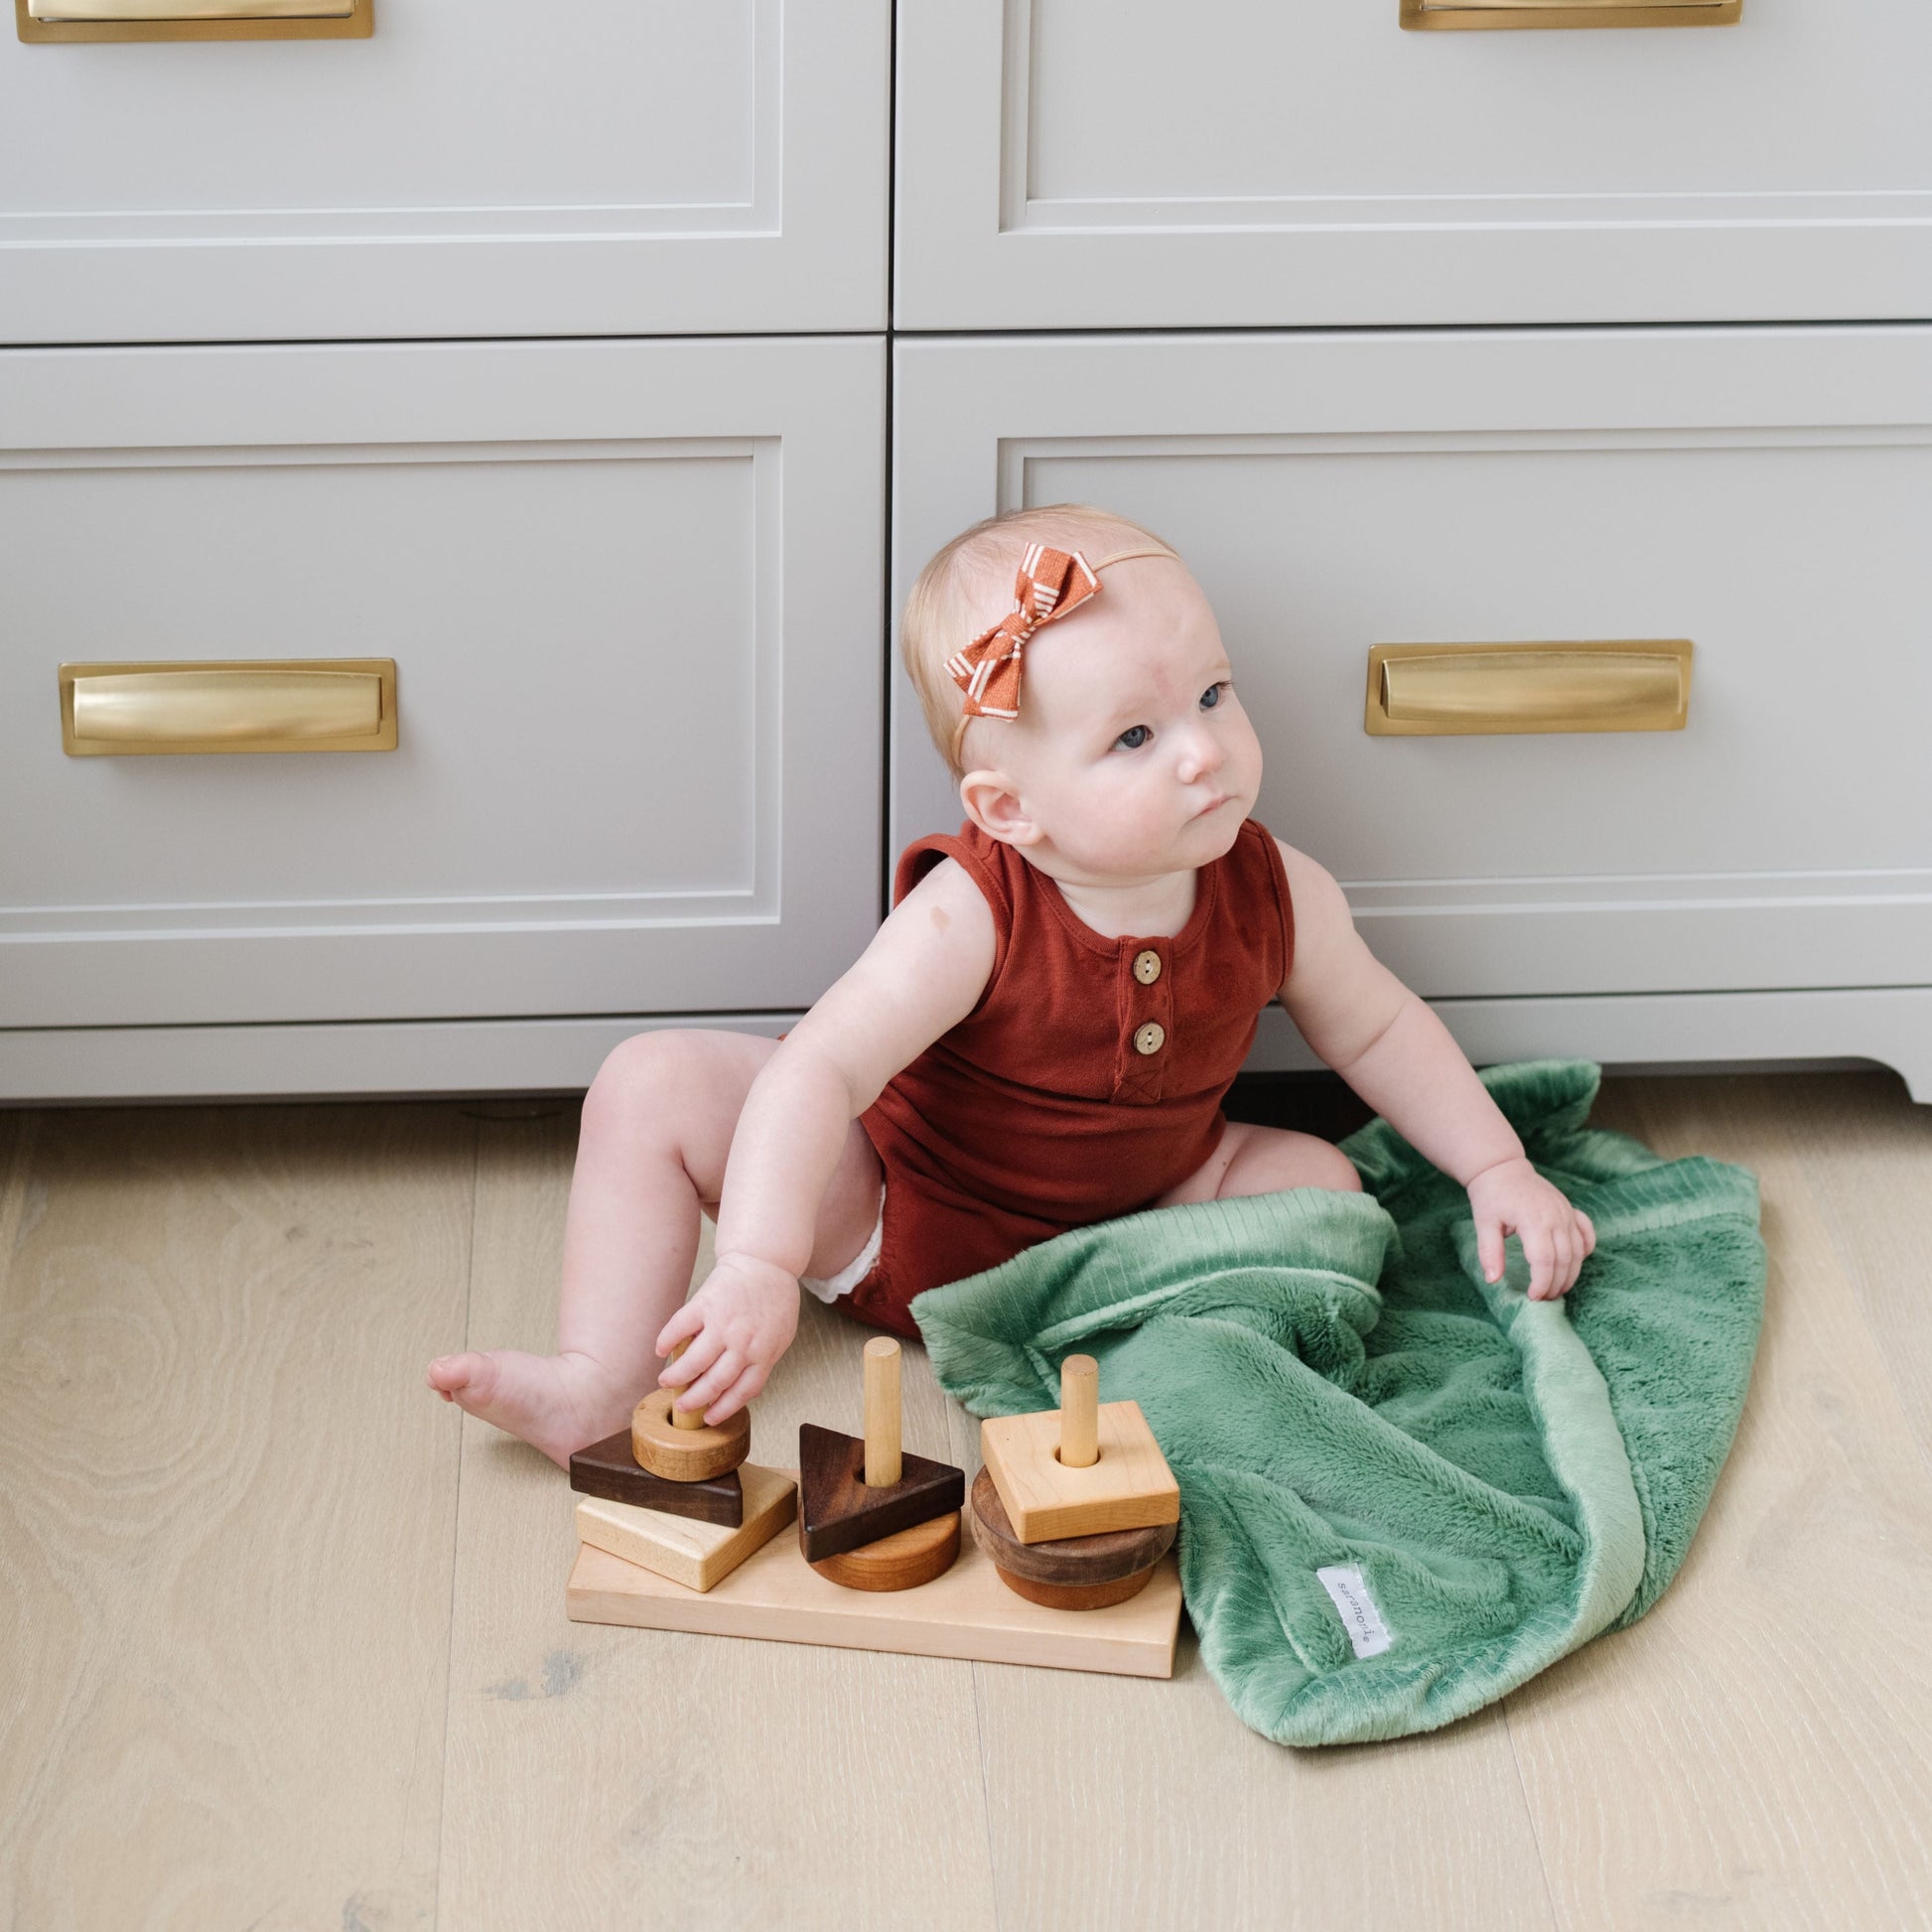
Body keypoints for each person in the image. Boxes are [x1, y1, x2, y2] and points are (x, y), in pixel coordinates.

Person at [428, 503, 1594, 1465]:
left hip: (1145, 1217)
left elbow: (1379, 1023)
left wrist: (1495, 1165)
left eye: (1211, 695)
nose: (1202, 750)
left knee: (1322, 1188)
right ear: (1008, 809)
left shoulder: (1274, 887)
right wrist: (758, 1261)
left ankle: (1141, 1352)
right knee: (652, 1080)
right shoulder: (973, 909)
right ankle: (597, 1379)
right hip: (900, 1213)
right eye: (1132, 737)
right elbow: (819, 1068)